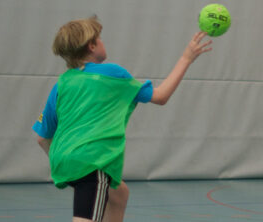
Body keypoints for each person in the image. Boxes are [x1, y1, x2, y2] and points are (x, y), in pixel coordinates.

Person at [32, 16, 212, 222]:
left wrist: (68, 162)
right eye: (100, 39)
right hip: (93, 160)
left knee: (119, 193)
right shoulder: (113, 74)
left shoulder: (62, 83)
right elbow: (161, 96)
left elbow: (42, 138)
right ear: (91, 46)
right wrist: (186, 58)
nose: (103, 42)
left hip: (62, 159)